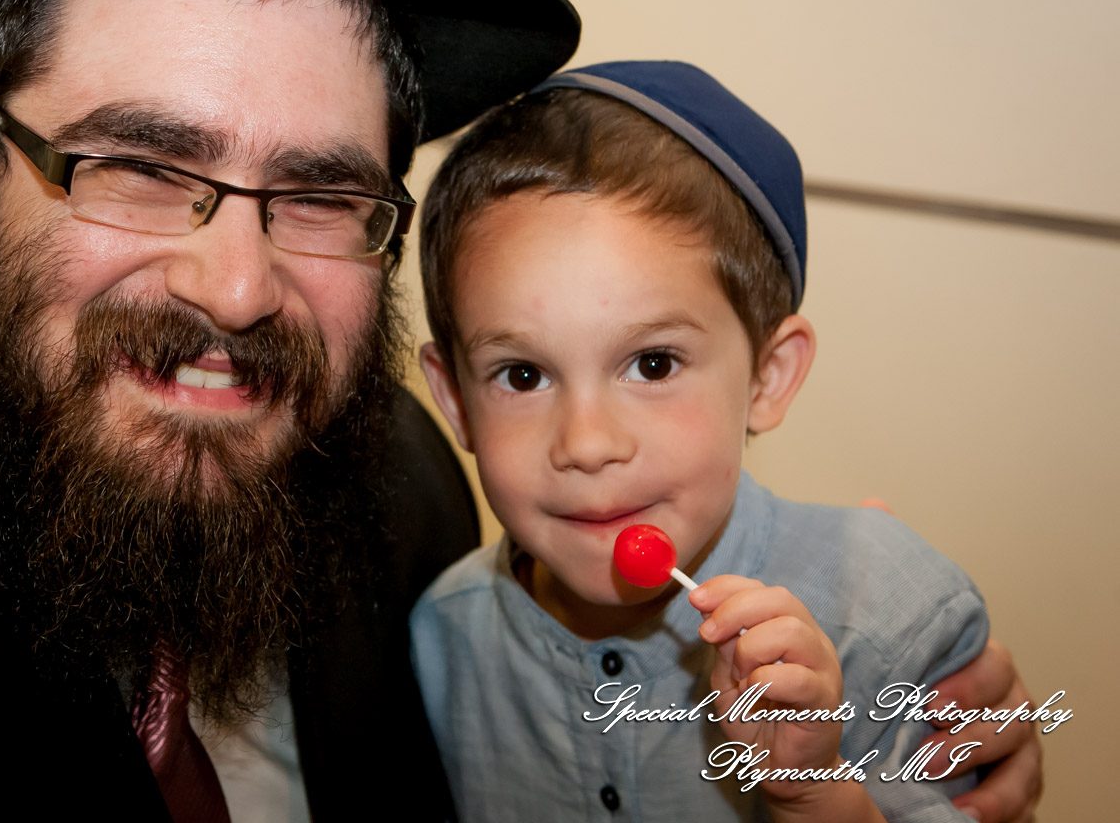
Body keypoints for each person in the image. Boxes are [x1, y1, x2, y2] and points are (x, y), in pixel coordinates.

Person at [0, 0, 1039, 819]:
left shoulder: (401, 487)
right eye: (142, 164)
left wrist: (886, 759)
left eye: (318, 192)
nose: (236, 292)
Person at [410, 61, 1029, 821]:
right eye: (523, 375)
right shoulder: (438, 640)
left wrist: (816, 793)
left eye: (653, 363)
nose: (588, 442)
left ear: (768, 377)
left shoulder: (892, 612)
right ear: (455, 401)